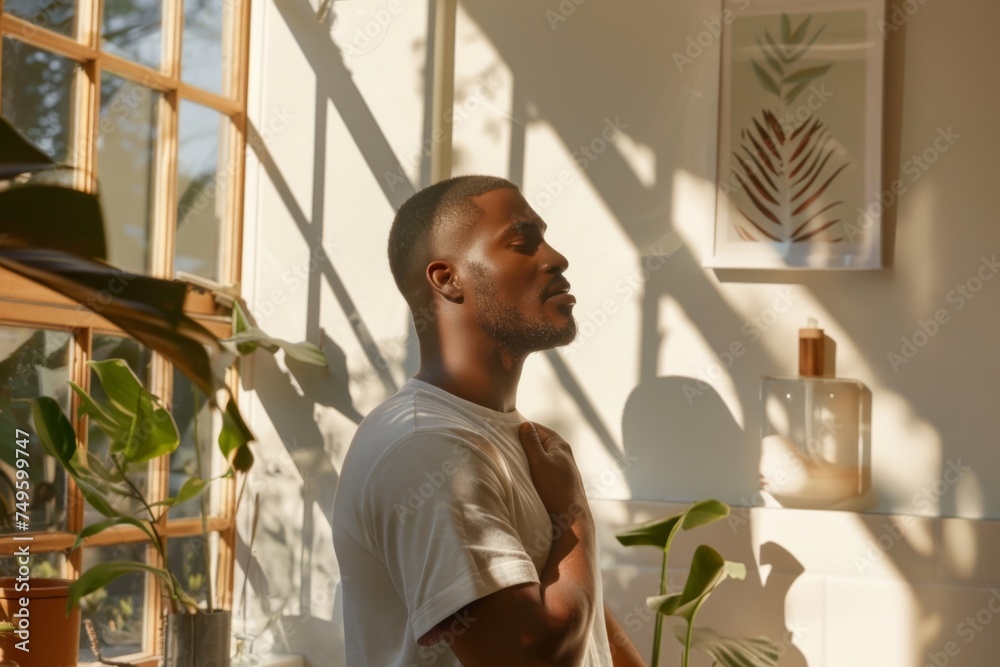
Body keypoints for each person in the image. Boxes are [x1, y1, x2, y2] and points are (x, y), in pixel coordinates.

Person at [332, 176, 646, 666]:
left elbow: (574, 600)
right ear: (447, 279)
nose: (556, 258)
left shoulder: (497, 432)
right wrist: (574, 513)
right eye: (523, 242)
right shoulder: (427, 448)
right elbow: (530, 657)